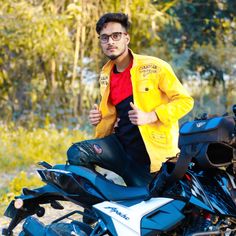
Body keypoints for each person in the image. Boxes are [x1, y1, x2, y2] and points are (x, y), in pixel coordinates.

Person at [67, 13, 194, 187]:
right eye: (104, 38)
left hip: (150, 158)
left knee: (145, 205)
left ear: (126, 38)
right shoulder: (106, 74)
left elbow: (185, 101)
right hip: (119, 148)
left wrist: (152, 116)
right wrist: (99, 118)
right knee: (77, 153)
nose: (110, 42)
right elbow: (117, 111)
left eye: (116, 36)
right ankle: (95, 205)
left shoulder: (155, 67)